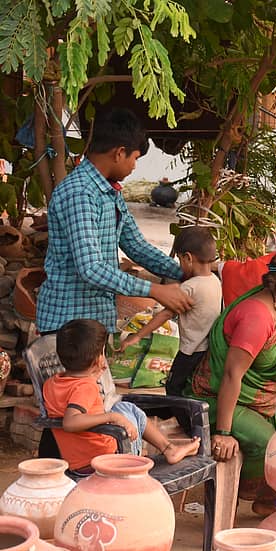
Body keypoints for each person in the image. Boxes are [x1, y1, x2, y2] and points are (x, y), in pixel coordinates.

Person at [37, 108, 192, 335]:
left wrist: (184, 273)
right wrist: (154, 290)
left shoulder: (109, 192)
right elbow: (91, 268)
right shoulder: (80, 192)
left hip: (95, 320)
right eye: (135, 158)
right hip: (68, 325)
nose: (134, 167)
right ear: (119, 153)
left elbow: (136, 246)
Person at [189, 245, 276, 515]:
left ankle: (267, 501)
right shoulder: (257, 316)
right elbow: (231, 374)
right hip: (217, 398)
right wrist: (223, 434)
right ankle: (236, 494)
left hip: (264, 395)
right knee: (272, 446)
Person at [43, 319, 200, 473]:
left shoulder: (52, 383)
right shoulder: (85, 387)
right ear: (98, 358)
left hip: (79, 463)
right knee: (124, 410)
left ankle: (169, 449)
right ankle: (168, 448)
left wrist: (91, 378)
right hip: (110, 460)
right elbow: (70, 422)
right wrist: (111, 417)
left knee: (122, 407)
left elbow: (72, 399)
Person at [121, 227, 222, 395]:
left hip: (189, 351)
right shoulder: (215, 281)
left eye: (180, 259)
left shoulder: (190, 286)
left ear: (188, 258)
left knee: (173, 386)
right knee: (191, 386)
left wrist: (137, 335)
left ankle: (176, 418)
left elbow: (166, 314)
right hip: (207, 349)